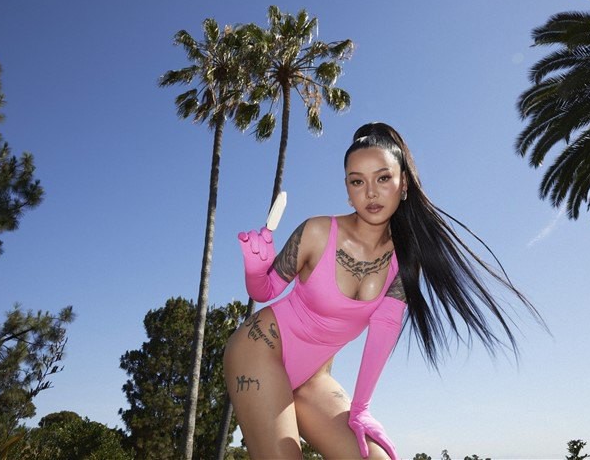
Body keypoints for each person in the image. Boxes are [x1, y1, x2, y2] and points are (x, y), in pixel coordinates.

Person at [223, 122, 543, 459]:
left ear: (403, 184)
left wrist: (360, 409)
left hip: (313, 377)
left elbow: (386, 326)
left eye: (383, 178)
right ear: (348, 189)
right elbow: (265, 290)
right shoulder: (317, 232)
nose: (371, 193)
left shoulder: (404, 259)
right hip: (260, 351)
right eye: (357, 181)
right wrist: (256, 267)